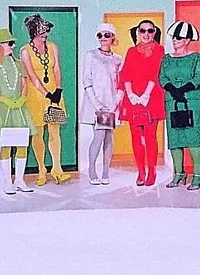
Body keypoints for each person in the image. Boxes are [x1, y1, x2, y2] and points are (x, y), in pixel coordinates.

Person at [19, 14, 71, 185]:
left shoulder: (53, 46)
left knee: (55, 132)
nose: (45, 36)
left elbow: (56, 68)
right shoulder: (25, 51)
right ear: (33, 33)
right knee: (38, 133)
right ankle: (42, 169)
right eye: (41, 33)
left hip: (54, 93)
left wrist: (57, 90)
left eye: (46, 33)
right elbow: (31, 75)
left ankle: (57, 169)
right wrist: (46, 93)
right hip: (35, 95)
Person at [0, 29, 35, 195]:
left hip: (19, 108)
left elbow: (25, 85)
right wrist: (0, 98)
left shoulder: (19, 64)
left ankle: (20, 179)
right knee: (6, 144)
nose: (13, 46)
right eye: (9, 43)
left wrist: (22, 98)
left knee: (22, 144)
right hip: (3, 108)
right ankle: (7, 180)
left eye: (13, 43)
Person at [160, 20, 200, 189]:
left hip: (192, 100)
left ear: (187, 40)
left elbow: (198, 77)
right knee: (175, 138)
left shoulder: (197, 57)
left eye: (179, 38)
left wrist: (184, 90)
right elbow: (162, 77)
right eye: (173, 38)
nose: (175, 41)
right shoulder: (166, 58)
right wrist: (174, 91)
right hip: (172, 102)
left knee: (194, 137)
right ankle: (179, 173)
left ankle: (198, 174)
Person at [117, 19, 166, 187]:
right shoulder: (131, 51)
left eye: (150, 31)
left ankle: (152, 171)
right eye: (143, 31)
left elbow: (156, 72)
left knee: (150, 136)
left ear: (154, 33)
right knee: (136, 137)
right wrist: (130, 94)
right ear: (138, 32)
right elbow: (125, 74)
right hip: (134, 99)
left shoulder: (159, 50)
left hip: (151, 97)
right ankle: (140, 172)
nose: (146, 34)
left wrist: (145, 95)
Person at [81, 21, 124, 186]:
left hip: (111, 103)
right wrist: (97, 104)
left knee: (109, 138)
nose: (103, 38)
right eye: (100, 35)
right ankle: (92, 170)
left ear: (113, 37)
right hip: (95, 103)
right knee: (98, 136)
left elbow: (121, 83)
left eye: (107, 35)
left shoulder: (118, 59)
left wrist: (114, 103)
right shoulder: (90, 55)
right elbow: (87, 80)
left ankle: (106, 171)